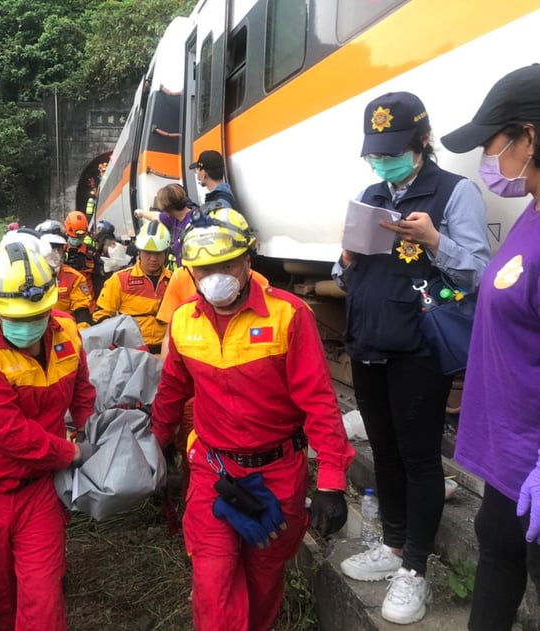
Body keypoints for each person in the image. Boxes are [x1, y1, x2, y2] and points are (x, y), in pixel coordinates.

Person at [150, 207, 353, 631]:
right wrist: (155, 445)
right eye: (202, 269)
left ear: (248, 258)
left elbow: (319, 402)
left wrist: (332, 481)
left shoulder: (289, 316)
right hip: (213, 469)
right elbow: (172, 389)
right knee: (213, 581)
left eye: (225, 264)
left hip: (278, 475)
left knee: (264, 579)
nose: (214, 276)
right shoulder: (185, 320)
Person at [333, 91, 490, 625]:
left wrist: (433, 240)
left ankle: (415, 570)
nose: (382, 161)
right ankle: (394, 547)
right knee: (384, 447)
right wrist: (344, 259)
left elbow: (476, 274)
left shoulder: (454, 192)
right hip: (370, 340)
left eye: (393, 149)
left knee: (420, 458)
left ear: (422, 141)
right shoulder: (372, 193)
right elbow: (347, 273)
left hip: (420, 347)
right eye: (375, 152)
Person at [0, 241, 96, 631]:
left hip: (37, 490)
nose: (27, 327)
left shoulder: (67, 335)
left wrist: (86, 424)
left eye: (37, 315)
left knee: (44, 599)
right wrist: (72, 452)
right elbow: (12, 435)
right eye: (16, 317)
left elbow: (81, 389)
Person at [438, 64, 540, 631]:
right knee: (498, 553)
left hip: (533, 460)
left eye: (492, 142)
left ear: (529, 136)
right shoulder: (532, 206)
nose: (487, 159)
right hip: (511, 457)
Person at [93, 220, 172, 354]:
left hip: (166, 353)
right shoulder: (119, 280)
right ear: (139, 252)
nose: (153, 259)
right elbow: (101, 315)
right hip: (132, 354)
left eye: (158, 253)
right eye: (148, 253)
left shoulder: (174, 280)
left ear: (165, 253)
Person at [35, 219, 94, 327]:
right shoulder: (25, 275)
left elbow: (82, 310)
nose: (53, 252)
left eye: (57, 248)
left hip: (63, 331)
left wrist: (81, 335)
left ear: (64, 249)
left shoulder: (75, 278)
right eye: (49, 247)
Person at [134, 183, 198, 267]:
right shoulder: (174, 218)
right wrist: (140, 213)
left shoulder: (195, 221)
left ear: (166, 207)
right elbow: (156, 216)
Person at [63, 210, 98, 295]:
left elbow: (99, 280)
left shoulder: (91, 253)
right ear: (67, 233)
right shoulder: (60, 252)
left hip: (87, 303)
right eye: (74, 237)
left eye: (81, 237)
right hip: (65, 301)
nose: (77, 239)